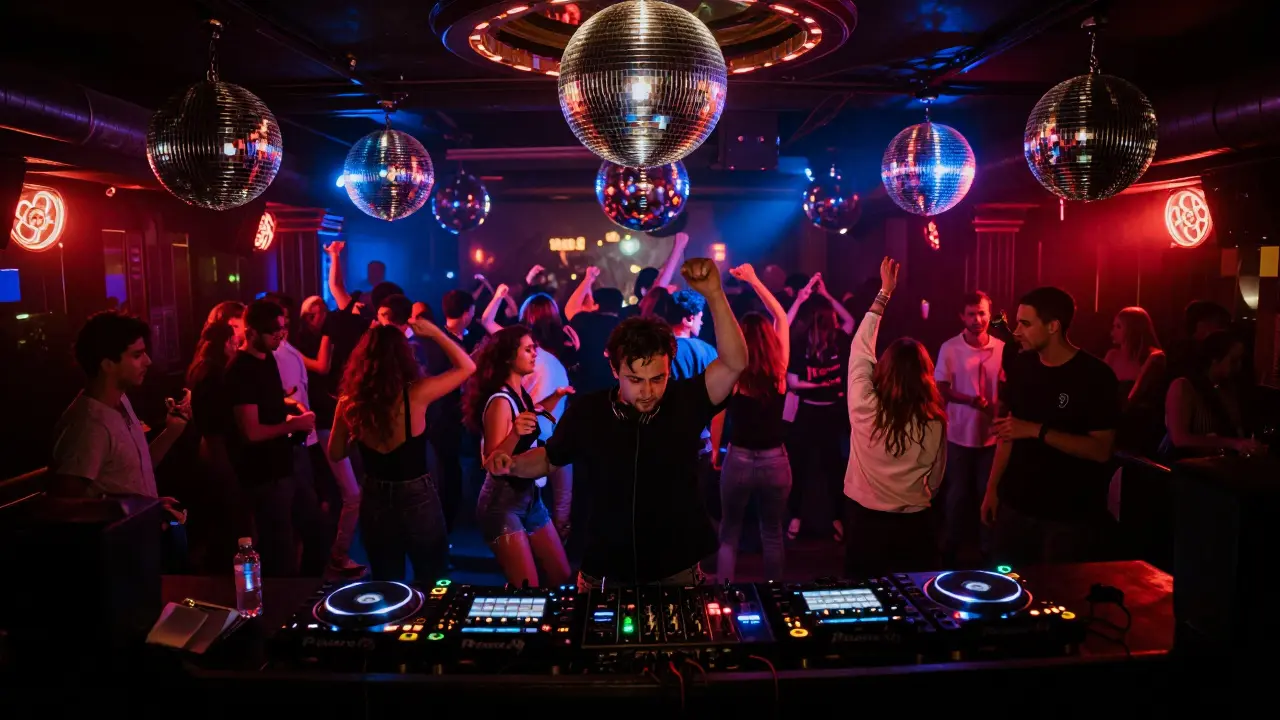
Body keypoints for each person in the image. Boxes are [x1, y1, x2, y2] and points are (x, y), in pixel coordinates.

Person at [485, 258, 747, 587]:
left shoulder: (686, 399)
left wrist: (715, 294)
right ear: (614, 370)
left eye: (658, 378)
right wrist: (513, 465)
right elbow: (551, 457)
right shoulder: (590, 410)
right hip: (605, 569)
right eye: (635, 379)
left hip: (676, 565)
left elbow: (736, 362)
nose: (648, 391)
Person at [981, 287, 1121, 566]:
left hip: (1067, 516)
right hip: (1016, 505)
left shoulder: (1095, 376)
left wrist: (1036, 430)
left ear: (1053, 326)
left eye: (1025, 323)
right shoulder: (1022, 365)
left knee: (1058, 597)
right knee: (1007, 593)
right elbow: (1009, 433)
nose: (1017, 331)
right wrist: (992, 490)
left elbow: (1101, 450)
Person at [328, 318, 476, 582]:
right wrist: (435, 333)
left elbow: (336, 453)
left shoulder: (348, 403)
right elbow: (467, 366)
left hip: (374, 495)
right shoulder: (416, 394)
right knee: (432, 578)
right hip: (416, 494)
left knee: (387, 583)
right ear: (403, 357)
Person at [843, 258, 947, 578]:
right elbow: (937, 477)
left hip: (864, 521)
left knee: (867, 598)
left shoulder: (864, 405)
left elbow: (860, 348)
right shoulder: (934, 420)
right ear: (925, 376)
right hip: (913, 522)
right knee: (915, 601)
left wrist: (884, 294)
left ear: (883, 369)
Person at [49, 312, 189, 523]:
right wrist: (130, 509)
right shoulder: (89, 425)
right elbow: (61, 504)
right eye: (137, 355)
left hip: (138, 540)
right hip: (114, 552)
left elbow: (131, 471)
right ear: (107, 364)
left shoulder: (120, 400)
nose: (148, 361)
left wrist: (172, 432)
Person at [467, 327, 573, 587]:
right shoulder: (500, 401)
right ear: (508, 358)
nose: (535, 353)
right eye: (528, 349)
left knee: (561, 575)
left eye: (534, 347)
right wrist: (515, 433)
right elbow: (491, 461)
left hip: (529, 499)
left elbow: (531, 414)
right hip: (501, 504)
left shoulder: (520, 394)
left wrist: (556, 397)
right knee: (527, 587)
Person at [226, 300, 319, 577]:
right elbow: (251, 431)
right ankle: (286, 607)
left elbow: (267, 399)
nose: (280, 336)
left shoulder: (267, 358)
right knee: (280, 551)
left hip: (284, 464)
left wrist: (290, 405)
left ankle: (305, 592)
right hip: (264, 474)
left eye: (282, 329)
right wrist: (295, 423)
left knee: (316, 531)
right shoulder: (240, 369)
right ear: (251, 332)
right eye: (274, 331)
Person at [711, 264, 792, 581]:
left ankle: (723, 596)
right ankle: (776, 595)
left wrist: (716, 451)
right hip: (775, 460)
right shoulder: (779, 371)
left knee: (729, 532)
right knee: (772, 532)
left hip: (740, 457)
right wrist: (755, 280)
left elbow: (718, 413)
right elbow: (781, 317)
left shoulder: (734, 371)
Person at [934, 291, 1003, 565]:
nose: (978, 319)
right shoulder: (950, 347)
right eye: (972, 314)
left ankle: (988, 548)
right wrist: (971, 400)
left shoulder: (1001, 348)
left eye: (982, 313)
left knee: (988, 493)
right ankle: (950, 547)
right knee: (957, 494)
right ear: (962, 316)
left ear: (990, 313)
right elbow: (941, 387)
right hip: (960, 433)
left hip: (992, 435)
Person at [785, 292, 852, 542]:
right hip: (809, 412)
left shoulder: (837, 340)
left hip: (830, 413)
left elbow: (850, 322)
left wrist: (826, 295)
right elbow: (793, 383)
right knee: (800, 467)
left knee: (833, 468)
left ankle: (836, 518)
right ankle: (796, 516)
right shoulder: (802, 344)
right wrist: (824, 385)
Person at [1160, 330, 1265, 460]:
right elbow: (1180, 439)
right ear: (1214, 360)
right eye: (1234, 360)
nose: (1239, 366)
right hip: (1185, 470)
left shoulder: (1229, 388)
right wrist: (1234, 443)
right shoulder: (1183, 387)